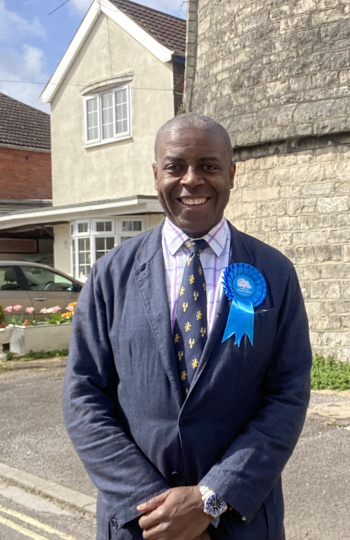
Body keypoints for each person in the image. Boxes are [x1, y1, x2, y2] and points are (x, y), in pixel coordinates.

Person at [63, 113, 312, 540]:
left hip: (240, 524)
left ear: (231, 174)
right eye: (176, 166)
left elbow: (287, 393)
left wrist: (211, 499)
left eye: (209, 166)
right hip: (139, 525)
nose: (191, 180)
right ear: (157, 174)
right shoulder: (109, 275)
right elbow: (84, 395)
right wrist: (155, 507)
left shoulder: (273, 272)